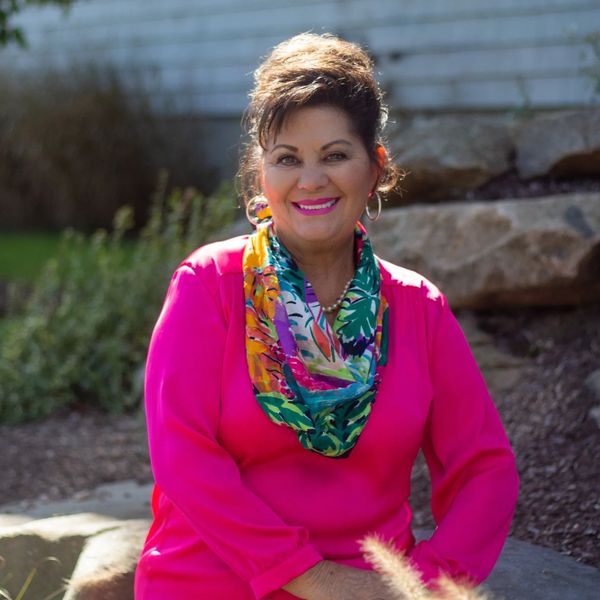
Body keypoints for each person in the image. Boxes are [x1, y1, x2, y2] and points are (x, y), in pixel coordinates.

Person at [134, 33, 519, 600]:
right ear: (261, 174)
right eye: (287, 159)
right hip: (212, 583)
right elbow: (182, 456)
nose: (311, 180)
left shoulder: (417, 307)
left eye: (335, 155)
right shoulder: (208, 286)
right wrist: (316, 579)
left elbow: (485, 469)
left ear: (375, 168)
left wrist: (424, 586)